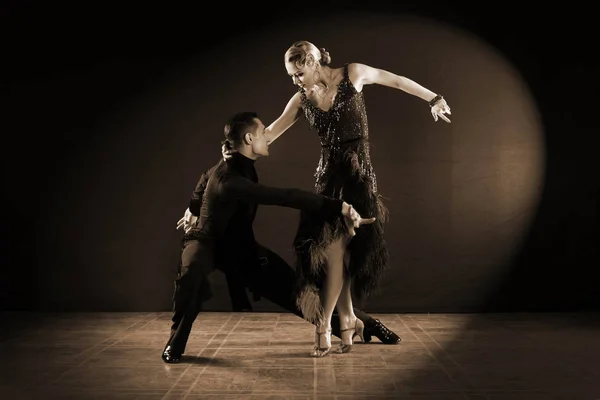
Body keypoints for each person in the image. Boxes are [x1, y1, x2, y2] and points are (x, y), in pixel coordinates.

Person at [224, 40, 451, 357]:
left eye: (298, 73)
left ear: (314, 61)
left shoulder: (353, 74)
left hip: (358, 179)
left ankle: (335, 324)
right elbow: (270, 134)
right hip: (328, 183)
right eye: (292, 75)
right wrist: (234, 152)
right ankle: (342, 321)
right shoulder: (301, 99)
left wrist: (434, 99)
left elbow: (397, 81)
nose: (295, 80)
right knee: (334, 251)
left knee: (341, 249)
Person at [163, 111, 385, 363]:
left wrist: (193, 207)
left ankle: (364, 323)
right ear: (249, 139)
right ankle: (175, 344)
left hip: (242, 251)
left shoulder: (234, 164)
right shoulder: (231, 179)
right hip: (206, 242)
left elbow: (205, 176)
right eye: (263, 133)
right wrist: (340, 207)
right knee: (190, 275)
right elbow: (285, 196)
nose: (267, 137)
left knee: (301, 297)